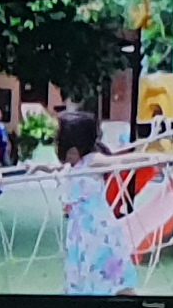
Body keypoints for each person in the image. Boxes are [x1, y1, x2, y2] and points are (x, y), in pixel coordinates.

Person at [52, 107, 132, 297]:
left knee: (112, 278)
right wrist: (37, 167)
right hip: (80, 233)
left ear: (73, 146)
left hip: (98, 230)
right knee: (86, 276)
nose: (55, 145)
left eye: (58, 141)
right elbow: (54, 168)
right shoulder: (73, 165)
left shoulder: (92, 160)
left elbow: (122, 161)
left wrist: (154, 158)